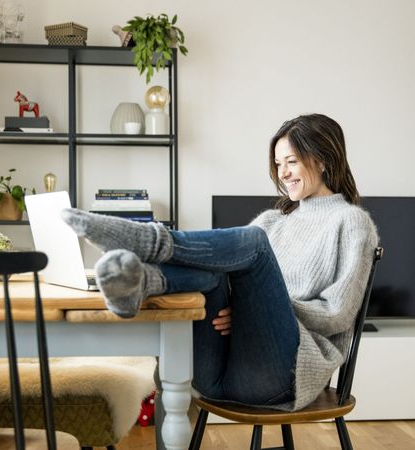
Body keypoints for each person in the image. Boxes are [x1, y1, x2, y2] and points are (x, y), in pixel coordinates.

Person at [61, 113, 378, 411]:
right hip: (216, 374)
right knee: (216, 269)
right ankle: (143, 282)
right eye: (279, 163)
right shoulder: (273, 220)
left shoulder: (350, 221)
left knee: (253, 244)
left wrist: (258, 308)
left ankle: (148, 240)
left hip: (282, 378)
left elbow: (338, 315)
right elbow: (223, 277)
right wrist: (246, 308)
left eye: (291, 162)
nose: (282, 174)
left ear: (322, 160)